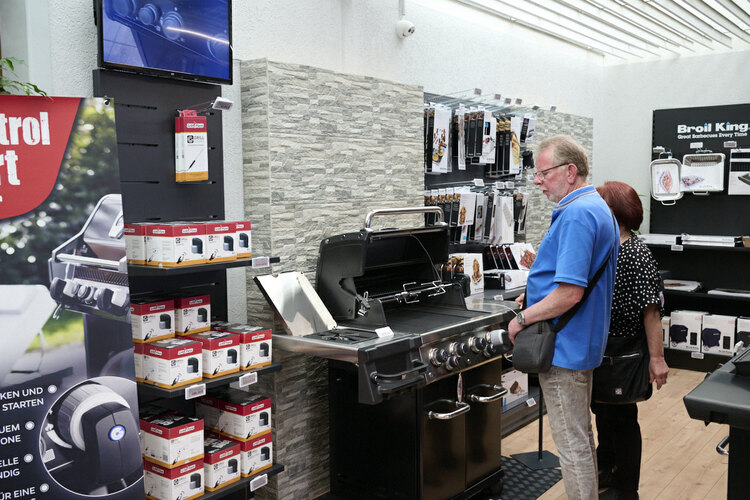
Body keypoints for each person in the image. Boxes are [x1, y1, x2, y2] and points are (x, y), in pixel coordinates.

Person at [509, 135, 618, 500]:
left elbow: (570, 293)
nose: (537, 181)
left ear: (571, 172)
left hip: (562, 348)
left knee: (572, 447)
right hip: (580, 342)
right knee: (580, 439)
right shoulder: (596, 206)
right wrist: (536, 294)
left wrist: (523, 317)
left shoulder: (576, 215)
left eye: (544, 173)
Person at [593, 181, 669, 500]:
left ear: (615, 211)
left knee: (623, 418)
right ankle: (606, 470)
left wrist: (657, 359)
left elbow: (651, 312)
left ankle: (626, 489)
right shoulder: (606, 247)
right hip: (599, 349)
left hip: (624, 351)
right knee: (603, 413)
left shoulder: (636, 253)